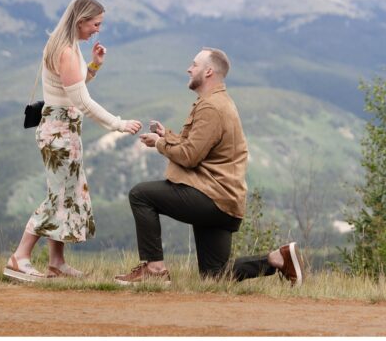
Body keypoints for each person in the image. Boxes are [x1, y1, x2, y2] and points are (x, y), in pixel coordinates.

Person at [116, 48, 304, 286]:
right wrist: (168, 136)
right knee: (214, 275)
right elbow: (199, 146)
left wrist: (160, 144)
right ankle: (278, 259)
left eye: (193, 64)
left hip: (211, 197)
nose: (188, 68)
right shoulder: (216, 102)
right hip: (224, 201)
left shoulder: (211, 107)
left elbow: (190, 156)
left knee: (141, 195)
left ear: (208, 71)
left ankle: (154, 268)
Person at [4, 0, 142, 282]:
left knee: (65, 195)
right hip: (59, 132)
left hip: (64, 129)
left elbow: (72, 88)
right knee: (58, 197)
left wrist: (94, 66)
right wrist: (118, 123)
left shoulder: (69, 47)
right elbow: (81, 100)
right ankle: (19, 257)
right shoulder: (65, 51)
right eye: (95, 24)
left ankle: (57, 262)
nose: (97, 30)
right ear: (80, 20)